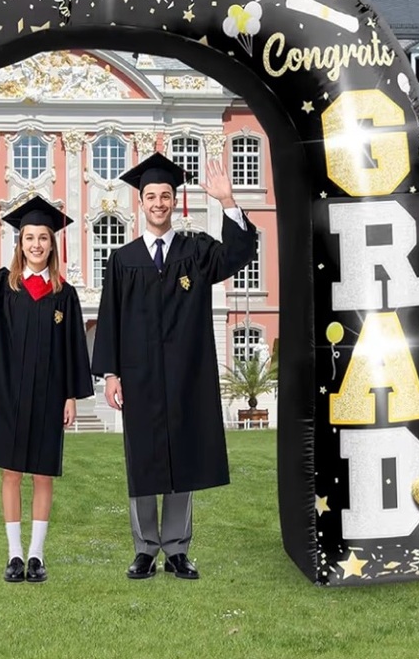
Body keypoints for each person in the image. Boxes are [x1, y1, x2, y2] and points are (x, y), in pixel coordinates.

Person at [91, 152, 258, 580]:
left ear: (174, 200)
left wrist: (228, 201)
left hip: (186, 375)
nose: (159, 203)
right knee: (143, 459)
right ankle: (145, 549)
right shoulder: (123, 260)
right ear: (141, 203)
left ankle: (177, 550)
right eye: (151, 196)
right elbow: (109, 317)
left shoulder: (196, 251)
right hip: (139, 376)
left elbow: (240, 252)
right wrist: (111, 374)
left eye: (166, 195)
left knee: (182, 457)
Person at [0, 185, 93, 583]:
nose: (36, 244)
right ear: (20, 242)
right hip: (9, 394)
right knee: (11, 473)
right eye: (29, 237)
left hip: (49, 395)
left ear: (52, 244)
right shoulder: (2, 286)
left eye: (43, 238)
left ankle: (36, 555)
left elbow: (73, 348)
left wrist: (71, 396)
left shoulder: (65, 295)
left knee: (43, 474)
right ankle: (13, 555)